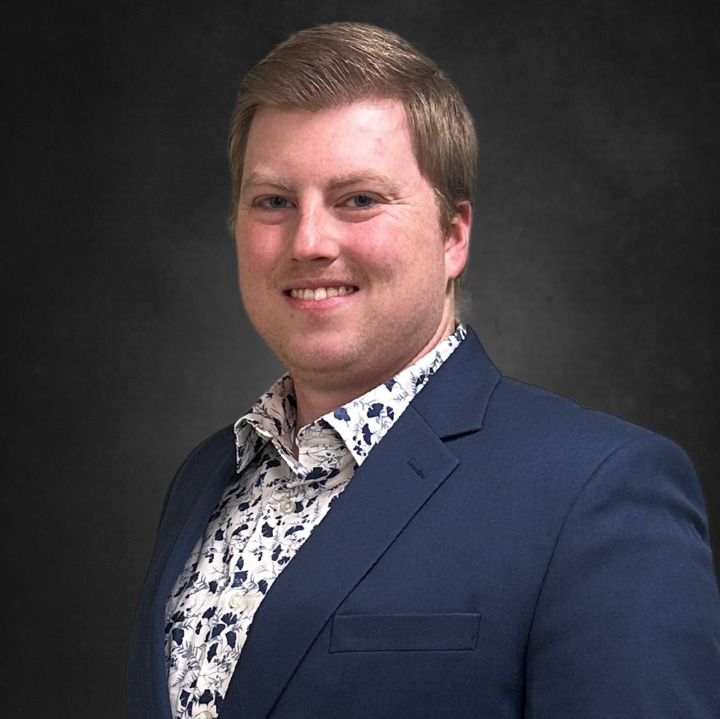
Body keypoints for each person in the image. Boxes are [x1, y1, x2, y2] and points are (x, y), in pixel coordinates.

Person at [127, 22, 720, 719]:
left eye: (359, 199)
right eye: (273, 201)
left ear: (453, 235)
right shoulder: (203, 480)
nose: (309, 241)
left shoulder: (598, 492)